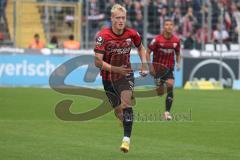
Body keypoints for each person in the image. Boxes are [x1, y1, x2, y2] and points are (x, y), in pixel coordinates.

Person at [94, 4, 147, 153]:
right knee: (118, 111)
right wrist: (115, 69)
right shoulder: (103, 36)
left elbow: (141, 47)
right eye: (118, 18)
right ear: (111, 19)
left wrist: (144, 64)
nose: (121, 21)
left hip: (126, 74)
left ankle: (126, 140)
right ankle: (122, 119)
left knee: (126, 103)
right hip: (108, 77)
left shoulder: (132, 34)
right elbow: (97, 61)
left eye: (123, 18)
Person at [146, 19, 181, 121]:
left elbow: (178, 53)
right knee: (160, 93)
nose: (169, 26)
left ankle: (167, 113)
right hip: (158, 69)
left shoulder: (176, 40)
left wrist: (178, 63)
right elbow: (147, 52)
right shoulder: (157, 40)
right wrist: (150, 66)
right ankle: (159, 86)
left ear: (173, 27)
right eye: (167, 24)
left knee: (170, 85)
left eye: (171, 25)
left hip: (169, 68)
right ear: (163, 27)